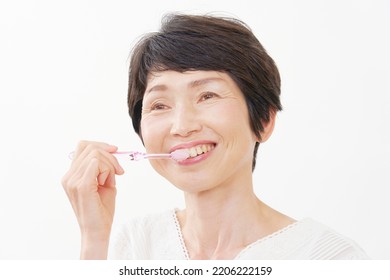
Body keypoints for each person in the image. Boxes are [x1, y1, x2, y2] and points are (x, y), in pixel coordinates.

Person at [62, 13, 368, 260]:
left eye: (207, 95)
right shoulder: (133, 245)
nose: (181, 126)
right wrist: (93, 239)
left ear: (263, 120)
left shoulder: (327, 258)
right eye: (159, 105)